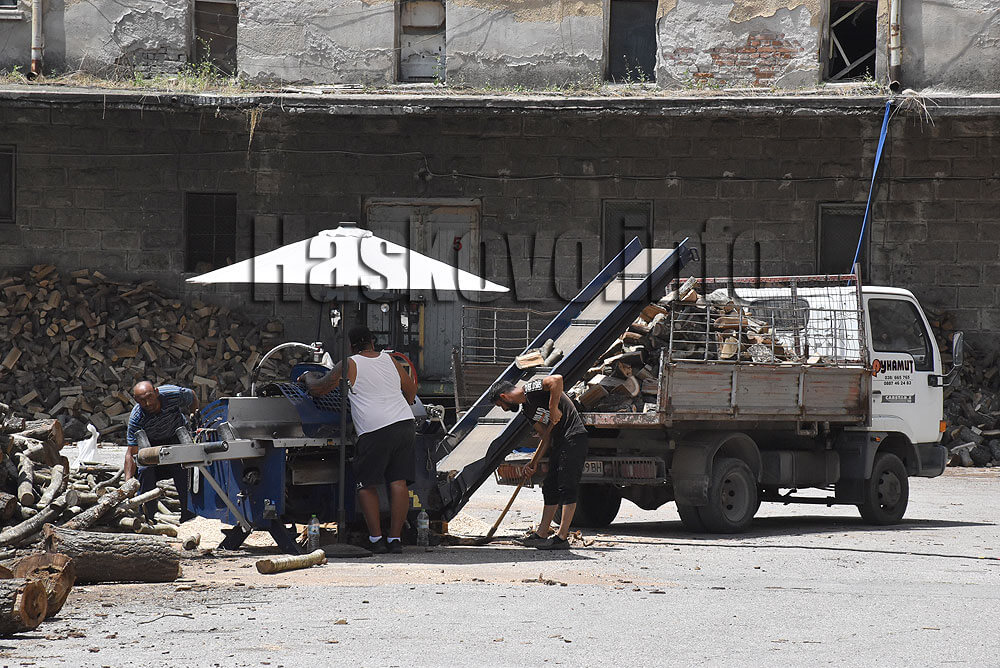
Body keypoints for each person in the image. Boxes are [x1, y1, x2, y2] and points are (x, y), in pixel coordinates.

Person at [300, 325, 418, 554]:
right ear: (373, 342)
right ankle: (395, 540)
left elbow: (319, 389)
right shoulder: (390, 360)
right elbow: (411, 390)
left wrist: (307, 377)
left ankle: (376, 540)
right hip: (404, 424)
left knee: (366, 485)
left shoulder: (349, 363)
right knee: (398, 482)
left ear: (351, 346)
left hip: (375, 430)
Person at [488, 375, 589, 550]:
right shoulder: (527, 410)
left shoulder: (530, 389)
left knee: (567, 486)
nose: (504, 409)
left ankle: (562, 538)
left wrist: (553, 408)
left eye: (501, 405)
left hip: (574, 437)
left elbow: (557, 380)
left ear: (504, 396)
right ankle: (541, 534)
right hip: (559, 441)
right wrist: (533, 462)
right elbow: (545, 437)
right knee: (550, 486)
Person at [124, 381, 199, 523]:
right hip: (152, 444)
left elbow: (192, 395)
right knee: (145, 471)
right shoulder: (137, 418)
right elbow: (131, 452)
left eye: (150, 397)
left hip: (176, 436)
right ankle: (147, 517)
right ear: (136, 400)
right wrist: (127, 482)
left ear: (156, 392)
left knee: (183, 469)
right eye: (142, 401)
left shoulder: (173, 394)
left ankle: (189, 514)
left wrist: (193, 415)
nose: (147, 403)